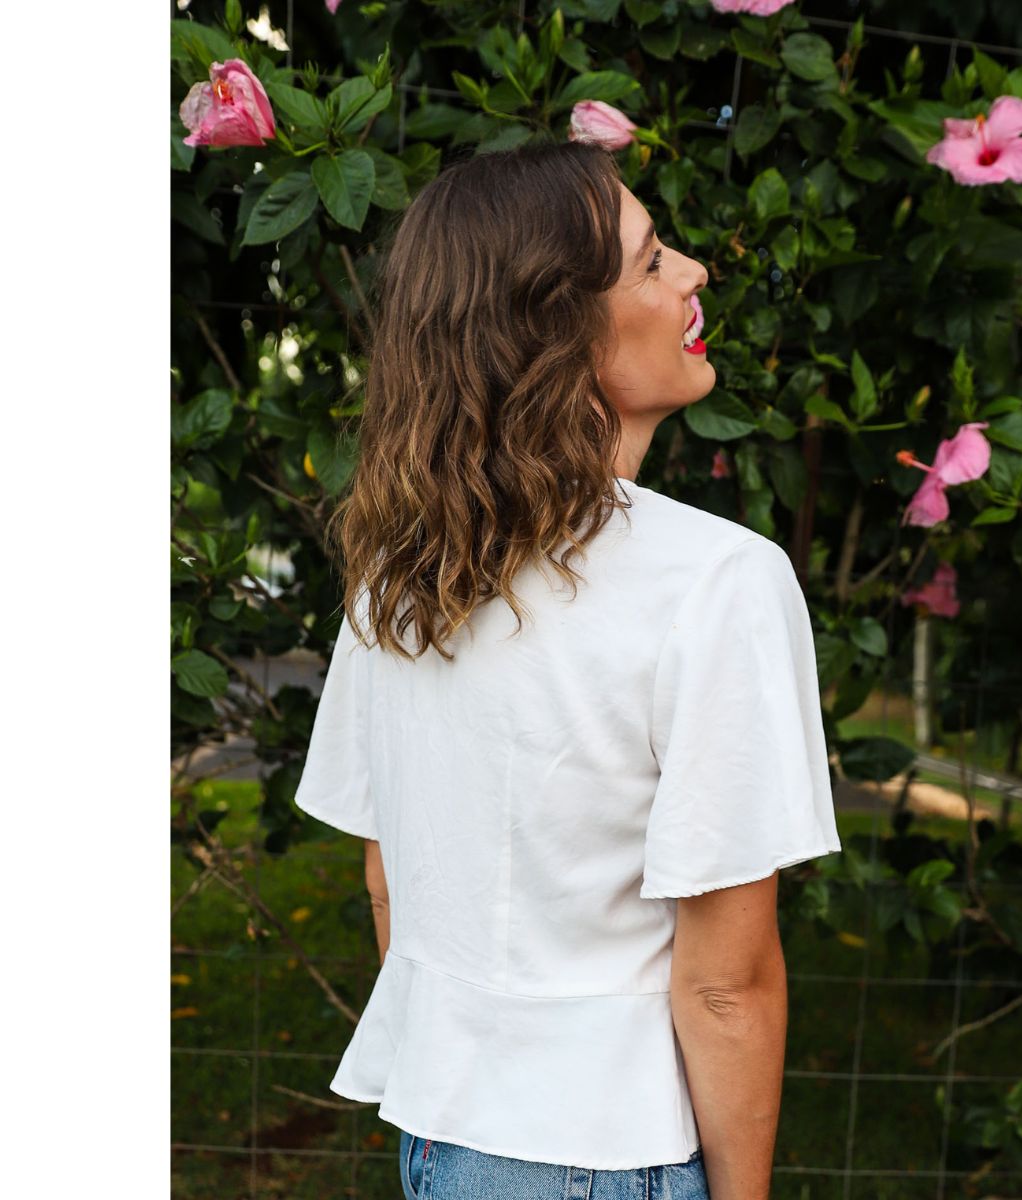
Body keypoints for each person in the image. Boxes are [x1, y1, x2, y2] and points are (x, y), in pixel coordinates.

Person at [293, 138, 842, 1200]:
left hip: (441, 1135)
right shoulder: (717, 579)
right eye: (651, 261)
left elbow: (389, 880)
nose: (694, 273)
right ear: (558, 334)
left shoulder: (402, 572)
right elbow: (725, 985)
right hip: (602, 1156)